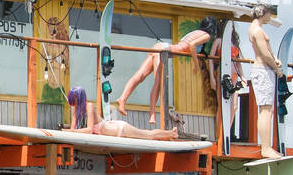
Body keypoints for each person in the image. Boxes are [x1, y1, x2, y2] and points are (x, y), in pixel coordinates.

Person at [115, 16, 223, 123]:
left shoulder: (195, 32)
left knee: (140, 75)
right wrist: (196, 64)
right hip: (164, 50)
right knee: (158, 81)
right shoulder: (206, 35)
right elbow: (192, 45)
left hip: (160, 47)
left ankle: (122, 99)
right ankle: (152, 116)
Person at [65, 86, 198, 141]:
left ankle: (171, 133)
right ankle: (169, 134)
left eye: (74, 100)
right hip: (114, 132)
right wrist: (69, 131)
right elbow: (72, 129)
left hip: (119, 129)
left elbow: (88, 130)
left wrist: (69, 132)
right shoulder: (76, 110)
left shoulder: (88, 106)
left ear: (79, 98)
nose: (73, 104)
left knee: (148, 135)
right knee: (146, 135)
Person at [247, 5, 285, 159]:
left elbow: (267, 52)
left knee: (266, 109)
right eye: (270, 14)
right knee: (266, 110)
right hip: (263, 70)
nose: (271, 17)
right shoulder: (258, 31)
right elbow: (264, 54)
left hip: (263, 69)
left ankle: (267, 146)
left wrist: (275, 59)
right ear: (264, 13)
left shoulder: (255, 29)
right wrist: (276, 69)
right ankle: (266, 147)